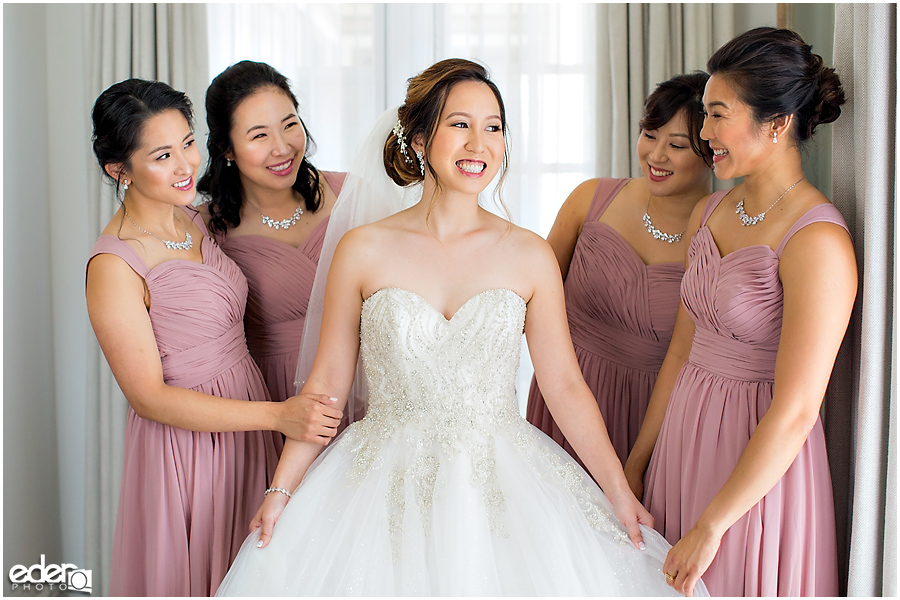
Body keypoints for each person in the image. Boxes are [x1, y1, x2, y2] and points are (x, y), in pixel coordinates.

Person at [215, 59, 707, 596]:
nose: (479, 144)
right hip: (380, 484)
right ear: (421, 139)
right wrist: (282, 491)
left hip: (501, 481)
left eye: (493, 127)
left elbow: (564, 386)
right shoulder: (363, 250)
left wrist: (617, 490)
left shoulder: (529, 254)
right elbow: (326, 387)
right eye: (460, 125)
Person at [623, 28, 856, 596]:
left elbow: (799, 409)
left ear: (777, 123)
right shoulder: (711, 209)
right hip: (682, 440)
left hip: (753, 474)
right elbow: (682, 348)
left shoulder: (818, 239)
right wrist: (636, 463)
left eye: (717, 115)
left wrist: (712, 525)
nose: (704, 135)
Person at [85, 79, 335, 595]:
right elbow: (147, 397)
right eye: (161, 155)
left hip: (251, 424)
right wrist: (277, 415)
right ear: (119, 170)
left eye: (187, 144)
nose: (184, 166)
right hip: (190, 446)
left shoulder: (198, 219)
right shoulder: (114, 263)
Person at [527, 72, 713, 466]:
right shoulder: (589, 199)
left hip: (655, 416)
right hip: (566, 394)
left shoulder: (720, 233)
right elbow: (526, 295)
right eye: (650, 134)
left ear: (714, 150)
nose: (656, 155)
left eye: (677, 144)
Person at [198, 61, 346, 439]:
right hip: (274, 405)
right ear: (226, 149)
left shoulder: (352, 195)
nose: (282, 148)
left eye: (289, 124)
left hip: (362, 389)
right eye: (259, 135)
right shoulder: (205, 229)